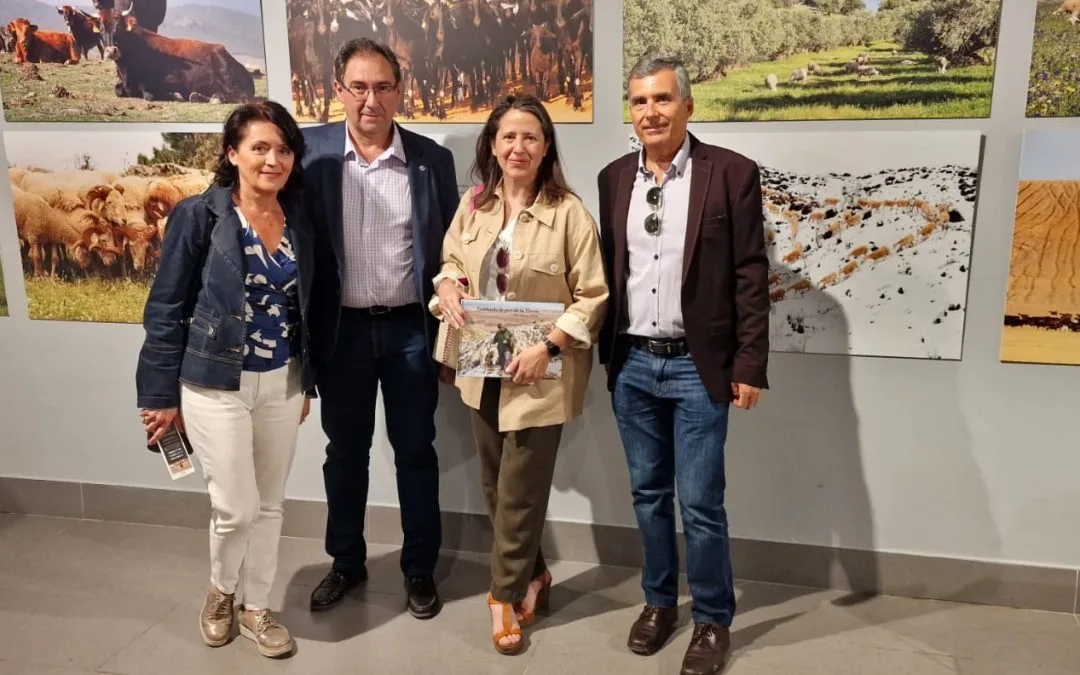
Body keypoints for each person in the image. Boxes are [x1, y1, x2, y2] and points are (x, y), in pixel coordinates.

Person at [596, 54, 770, 675]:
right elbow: (609, 273)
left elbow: (752, 274)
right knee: (647, 496)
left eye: (663, 100)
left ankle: (713, 620)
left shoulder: (732, 173)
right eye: (640, 102)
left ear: (688, 106)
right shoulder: (614, 177)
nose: (651, 112)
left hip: (702, 368)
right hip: (634, 364)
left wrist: (749, 363)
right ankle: (658, 603)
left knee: (699, 502)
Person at [135, 100, 317, 659]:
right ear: (232, 153)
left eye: (283, 149)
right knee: (235, 506)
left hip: (282, 382)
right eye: (259, 147)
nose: (272, 159)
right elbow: (165, 306)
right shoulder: (201, 215)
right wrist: (159, 395)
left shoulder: (301, 219)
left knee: (270, 504)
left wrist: (306, 381)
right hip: (215, 382)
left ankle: (256, 608)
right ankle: (222, 591)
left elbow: (306, 306)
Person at [433, 94, 608, 655]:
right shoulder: (475, 205)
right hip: (481, 368)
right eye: (508, 136)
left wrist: (549, 347)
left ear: (547, 146)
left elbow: (593, 296)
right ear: (491, 144)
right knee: (496, 486)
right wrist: (445, 286)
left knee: (521, 491)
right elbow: (452, 263)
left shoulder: (570, 214)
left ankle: (503, 596)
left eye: (530, 137)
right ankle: (535, 574)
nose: (518, 147)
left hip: (539, 374)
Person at [301, 38, 459, 618]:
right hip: (341, 334)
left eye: (383, 86)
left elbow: (449, 254)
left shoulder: (430, 160)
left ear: (400, 90)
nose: (371, 99)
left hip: (409, 333)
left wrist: (450, 335)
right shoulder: (310, 153)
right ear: (338, 89)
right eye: (359, 86)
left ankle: (419, 567)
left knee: (416, 451)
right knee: (345, 452)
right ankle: (345, 561)